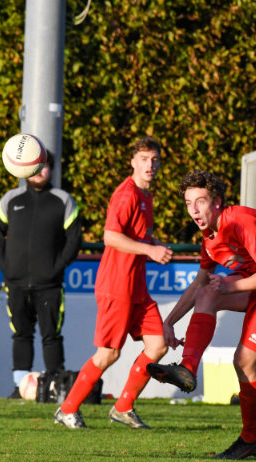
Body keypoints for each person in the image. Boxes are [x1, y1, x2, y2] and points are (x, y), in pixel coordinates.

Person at [147, 170, 256, 459]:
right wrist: (169, 322)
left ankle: (250, 439)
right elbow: (199, 285)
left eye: (200, 202)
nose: (194, 210)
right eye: (188, 203)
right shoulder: (209, 238)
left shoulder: (240, 221)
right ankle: (188, 368)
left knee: (244, 362)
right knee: (208, 293)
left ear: (217, 202)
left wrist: (229, 285)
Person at [53, 136, 172, 429]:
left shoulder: (146, 195)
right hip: (117, 285)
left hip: (137, 287)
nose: (150, 165)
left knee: (158, 346)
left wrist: (154, 243)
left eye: (154, 160)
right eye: (144, 159)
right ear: (132, 162)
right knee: (108, 353)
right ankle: (67, 409)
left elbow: (138, 235)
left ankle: (123, 407)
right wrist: (149, 250)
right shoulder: (126, 194)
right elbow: (111, 236)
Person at [0, 149, 82, 398]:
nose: (40, 171)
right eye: (36, 166)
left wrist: (55, 269)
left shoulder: (63, 200)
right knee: (21, 335)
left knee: (51, 336)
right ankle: (20, 388)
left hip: (50, 286)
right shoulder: (10, 199)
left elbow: (74, 240)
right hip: (16, 283)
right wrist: (7, 268)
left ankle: (55, 387)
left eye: (45, 166)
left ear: (51, 169)